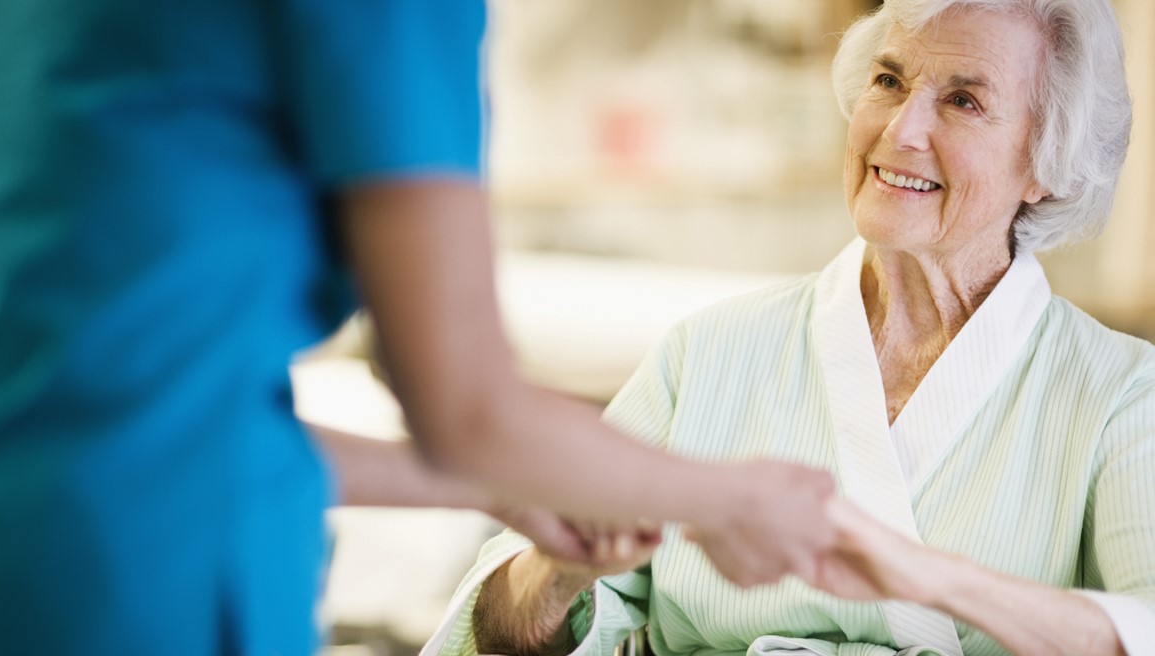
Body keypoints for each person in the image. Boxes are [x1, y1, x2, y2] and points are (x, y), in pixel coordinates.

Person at [0, 1, 839, 654]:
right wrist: (735, 500)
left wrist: (495, 491)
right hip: (143, 590)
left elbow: (141, 422)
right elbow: (470, 411)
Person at [423, 0, 1155, 654]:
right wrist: (561, 571)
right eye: (889, 81)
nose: (901, 130)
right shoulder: (709, 352)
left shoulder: (1120, 395)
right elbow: (503, 634)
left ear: (1047, 165)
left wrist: (925, 576)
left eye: (962, 100)